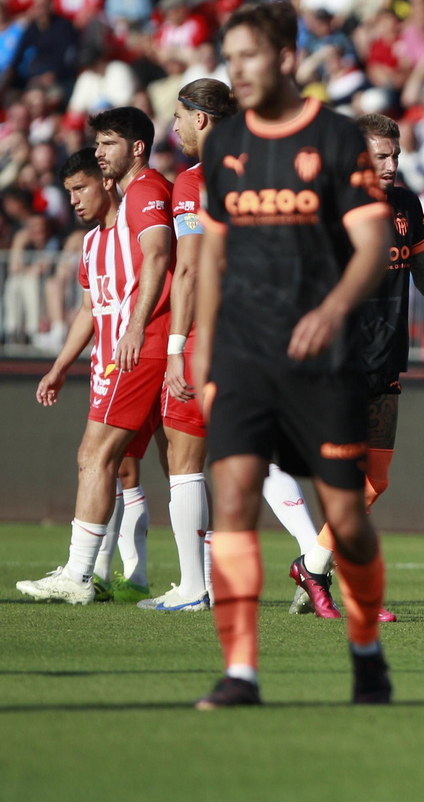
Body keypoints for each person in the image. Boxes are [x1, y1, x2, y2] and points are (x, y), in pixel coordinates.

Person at [190, 0, 393, 708]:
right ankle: (241, 670)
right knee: (236, 498)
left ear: (283, 57)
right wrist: (202, 344)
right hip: (244, 355)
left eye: (248, 55)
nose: (235, 69)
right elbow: (213, 252)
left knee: (347, 523)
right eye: (229, 56)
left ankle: (366, 649)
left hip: (323, 359)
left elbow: (372, 246)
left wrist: (333, 309)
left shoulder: (337, 140)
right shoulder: (222, 146)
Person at [282, 113, 424, 620]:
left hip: (386, 354)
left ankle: (311, 568)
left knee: (374, 482)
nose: (391, 164)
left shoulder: (405, 204)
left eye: (395, 155)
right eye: (381, 155)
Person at [18, 133, 172, 605]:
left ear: (106, 182)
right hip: (107, 363)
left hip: (137, 354)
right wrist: (60, 366)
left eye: (81, 188)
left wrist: (144, 332)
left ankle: (80, 574)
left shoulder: (135, 222)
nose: (74, 200)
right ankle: (121, 574)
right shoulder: (89, 245)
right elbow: (89, 310)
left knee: (96, 456)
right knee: (123, 467)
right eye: (68, 193)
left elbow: (164, 257)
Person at [140, 78, 239, 610]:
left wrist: (176, 345)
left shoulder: (195, 179)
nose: (174, 127)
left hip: (209, 336)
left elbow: (190, 269)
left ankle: (193, 587)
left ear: (201, 119)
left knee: (185, 458)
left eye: (178, 117)